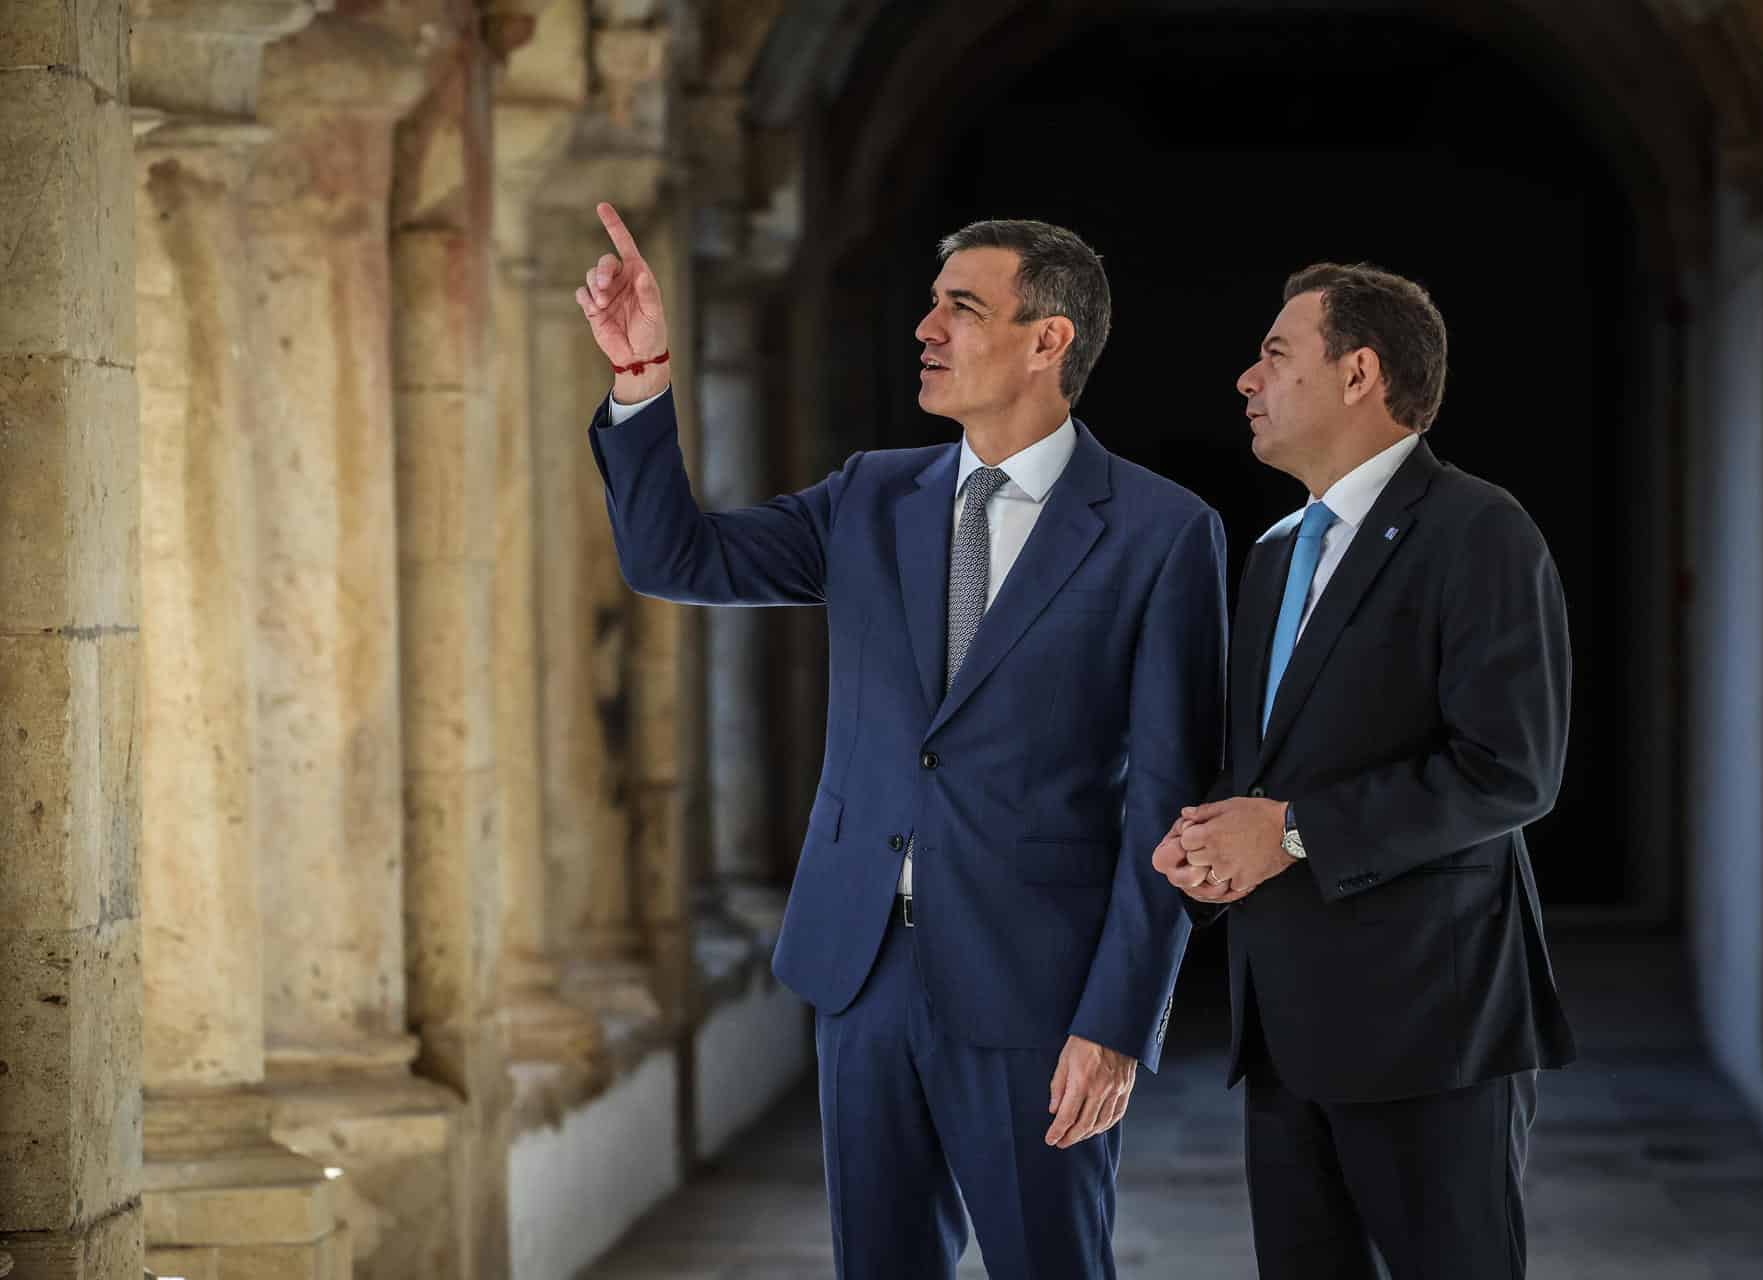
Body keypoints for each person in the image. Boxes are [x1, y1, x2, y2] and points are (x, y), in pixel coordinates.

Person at [577, 204, 1226, 1279]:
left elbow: (1167, 793)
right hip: (863, 971)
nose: (925, 327)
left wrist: (1118, 1021)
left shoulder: (1162, 532)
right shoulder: (871, 495)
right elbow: (672, 556)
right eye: (930, 303)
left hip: (1038, 991)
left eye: (961, 307)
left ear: (1048, 339)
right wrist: (640, 372)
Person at [1153, 263, 1577, 1278]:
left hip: (1433, 1027)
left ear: (1358, 373)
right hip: (1286, 1031)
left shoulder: (1481, 529)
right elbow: (1266, 764)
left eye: (1274, 353)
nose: (1246, 380)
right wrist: (1207, 839)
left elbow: (1512, 769)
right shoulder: (1272, 552)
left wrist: (1293, 831)